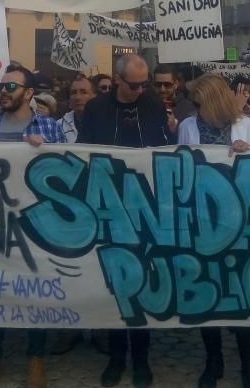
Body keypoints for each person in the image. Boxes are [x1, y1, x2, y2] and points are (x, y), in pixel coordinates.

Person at [77, 55, 176, 388]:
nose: (141, 89)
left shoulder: (152, 105)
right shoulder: (95, 109)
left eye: (144, 83)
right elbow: (82, 151)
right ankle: (117, 356)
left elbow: (164, 148)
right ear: (117, 81)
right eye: (134, 84)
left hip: (144, 207)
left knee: (142, 282)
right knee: (115, 283)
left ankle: (142, 358)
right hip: (107, 206)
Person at [0, 65, 65, 388]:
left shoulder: (50, 127)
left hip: (36, 224)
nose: (4, 91)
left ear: (28, 93)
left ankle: (35, 356)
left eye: (11, 85)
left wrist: (48, 151)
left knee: (34, 290)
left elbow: (67, 171)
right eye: (1, 86)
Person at [177, 74, 250, 388]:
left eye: (200, 103)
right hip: (201, 222)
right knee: (206, 294)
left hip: (241, 222)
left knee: (244, 295)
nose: (196, 109)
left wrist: (248, 154)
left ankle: (249, 366)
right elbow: (180, 171)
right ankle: (214, 361)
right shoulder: (187, 126)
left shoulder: (247, 127)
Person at [61, 74, 96, 143]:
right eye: (74, 93)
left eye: (83, 92)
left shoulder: (106, 124)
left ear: (94, 96)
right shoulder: (59, 125)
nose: (77, 97)